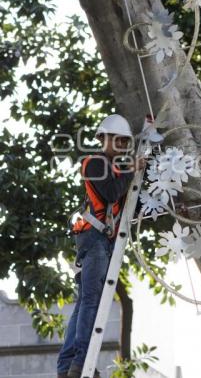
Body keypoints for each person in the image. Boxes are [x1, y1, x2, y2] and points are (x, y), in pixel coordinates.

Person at [57, 114, 145, 378]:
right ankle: (81, 362)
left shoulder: (117, 169)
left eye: (123, 141)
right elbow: (111, 192)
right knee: (91, 301)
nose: (119, 144)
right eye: (115, 139)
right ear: (103, 138)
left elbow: (128, 204)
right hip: (93, 239)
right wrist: (132, 169)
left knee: (85, 301)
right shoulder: (94, 163)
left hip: (100, 241)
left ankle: (67, 367)